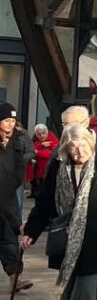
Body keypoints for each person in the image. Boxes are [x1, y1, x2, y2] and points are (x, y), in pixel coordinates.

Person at [22, 124, 97, 299]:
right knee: (69, 290)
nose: (80, 152)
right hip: (67, 240)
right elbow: (45, 201)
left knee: (85, 291)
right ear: (65, 148)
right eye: (74, 147)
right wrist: (32, 230)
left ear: (91, 144)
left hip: (95, 239)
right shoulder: (59, 167)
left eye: (84, 146)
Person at [0, 104, 30, 294]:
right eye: (6, 120)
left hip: (8, 196)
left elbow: (21, 167)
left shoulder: (19, 139)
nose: (10, 124)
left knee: (9, 236)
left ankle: (15, 277)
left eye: (12, 121)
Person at [28, 124, 58, 198]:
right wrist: (40, 146)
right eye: (39, 134)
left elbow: (51, 154)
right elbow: (32, 150)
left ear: (47, 132)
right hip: (39, 172)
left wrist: (38, 152)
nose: (41, 136)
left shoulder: (54, 141)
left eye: (43, 133)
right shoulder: (37, 143)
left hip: (50, 171)